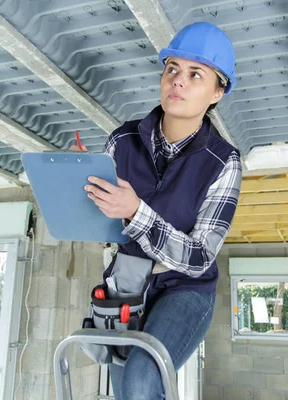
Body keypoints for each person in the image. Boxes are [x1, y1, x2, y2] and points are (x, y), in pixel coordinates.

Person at [73, 21, 241, 399]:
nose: (177, 81)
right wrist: (82, 184)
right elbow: (106, 220)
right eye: (172, 70)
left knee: (142, 379)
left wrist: (137, 211)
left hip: (185, 288)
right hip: (128, 283)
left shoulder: (224, 162)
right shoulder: (123, 139)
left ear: (217, 92)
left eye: (195, 74)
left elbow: (198, 258)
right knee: (125, 391)